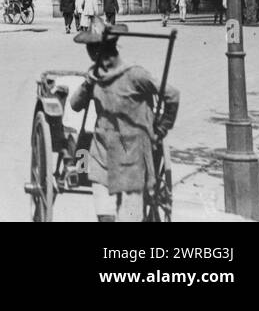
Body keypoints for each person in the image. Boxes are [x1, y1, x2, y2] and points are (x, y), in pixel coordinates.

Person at [62, 21, 179, 222]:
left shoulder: (135, 75)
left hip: (131, 154)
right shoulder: (95, 78)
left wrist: (161, 128)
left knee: (131, 217)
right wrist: (88, 83)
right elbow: (75, 104)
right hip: (102, 150)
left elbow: (171, 94)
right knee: (104, 216)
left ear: (99, 52)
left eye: (92, 50)